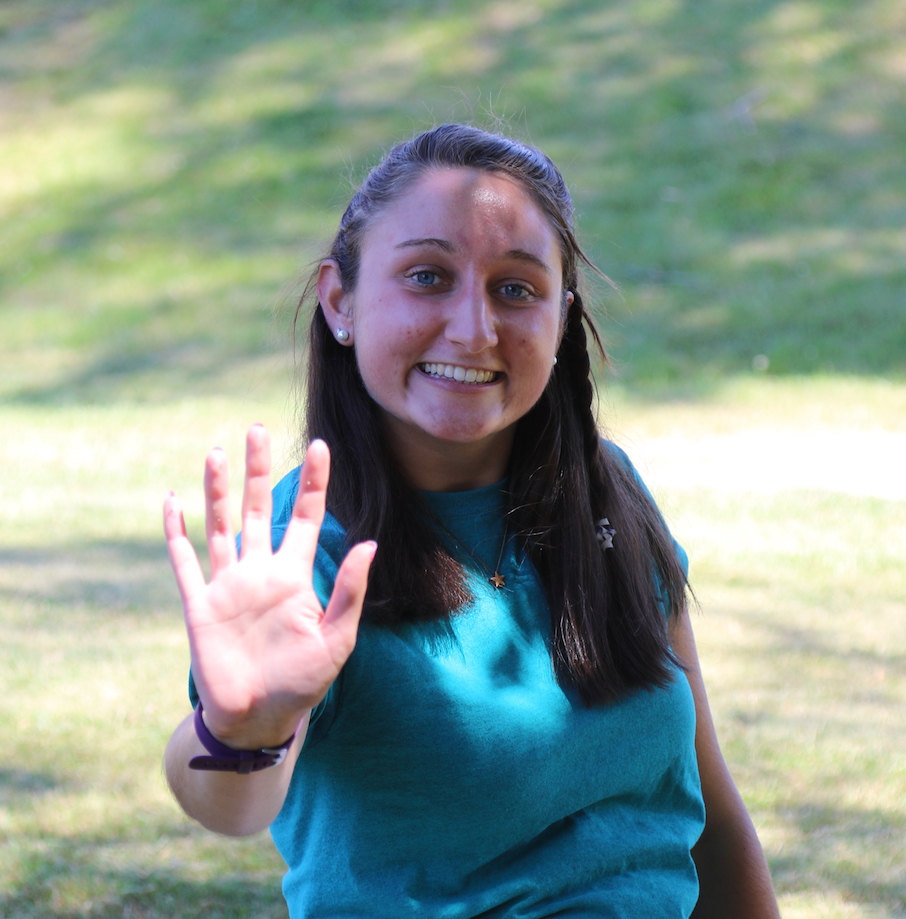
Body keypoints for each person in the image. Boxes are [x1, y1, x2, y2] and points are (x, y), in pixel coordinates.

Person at [162, 123, 781, 918]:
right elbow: (228, 804)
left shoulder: (606, 489)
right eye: (427, 276)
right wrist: (244, 727)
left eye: (515, 288)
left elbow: (709, 810)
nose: (473, 328)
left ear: (561, 318)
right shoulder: (308, 548)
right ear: (340, 300)